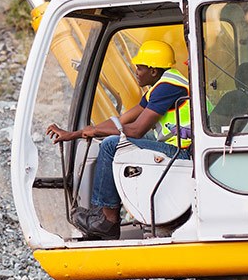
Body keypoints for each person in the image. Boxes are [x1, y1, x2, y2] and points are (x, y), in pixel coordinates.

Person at [45, 40, 191, 239]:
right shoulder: (160, 86)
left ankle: (107, 219)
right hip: (172, 145)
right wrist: (77, 134)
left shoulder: (168, 87)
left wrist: (96, 132)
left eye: (139, 68)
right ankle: (100, 212)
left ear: (153, 71)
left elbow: (137, 130)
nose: (136, 72)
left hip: (182, 152)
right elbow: (121, 120)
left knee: (111, 145)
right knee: (111, 138)